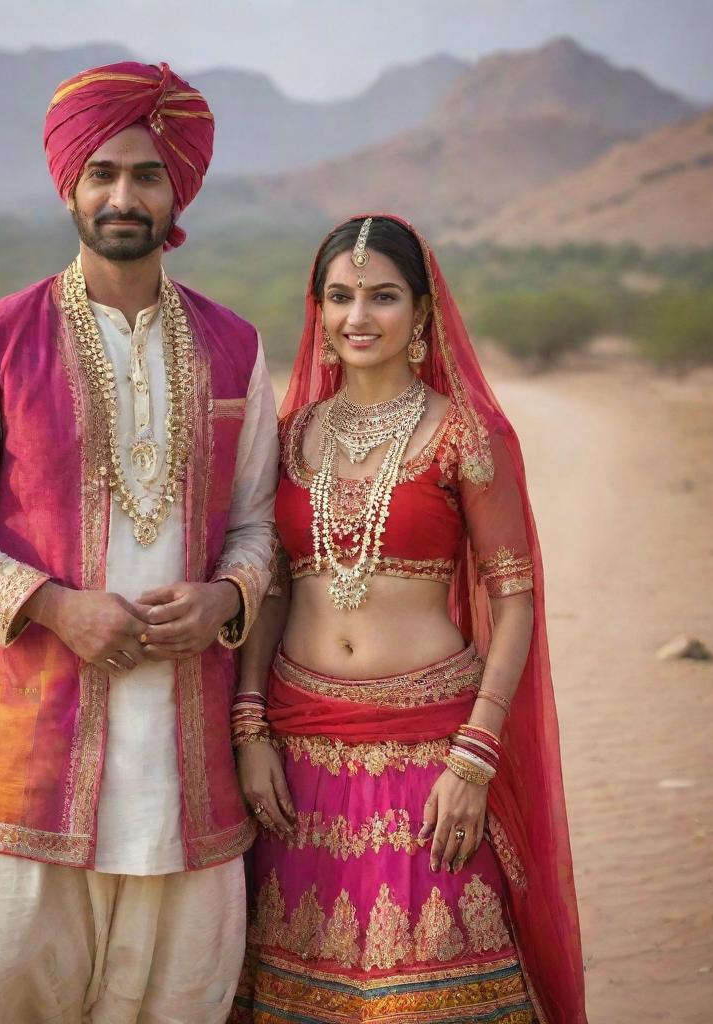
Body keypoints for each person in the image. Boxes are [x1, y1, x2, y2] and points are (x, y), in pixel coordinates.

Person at [0, 61, 279, 1024]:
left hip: (184, 757)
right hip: (35, 744)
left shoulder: (236, 346)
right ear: (70, 183)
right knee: (7, 988)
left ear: (177, 190)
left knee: (179, 995)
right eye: (103, 172)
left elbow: (256, 522)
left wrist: (226, 599)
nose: (123, 195)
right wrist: (55, 606)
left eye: (147, 175)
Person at [229, 215, 587, 1023]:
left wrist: (476, 756)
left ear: (422, 313)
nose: (359, 316)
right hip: (299, 748)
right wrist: (250, 730)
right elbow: (274, 585)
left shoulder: (467, 436)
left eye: (383, 296)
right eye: (340, 296)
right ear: (317, 311)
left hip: (431, 753)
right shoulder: (291, 436)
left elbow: (514, 598)